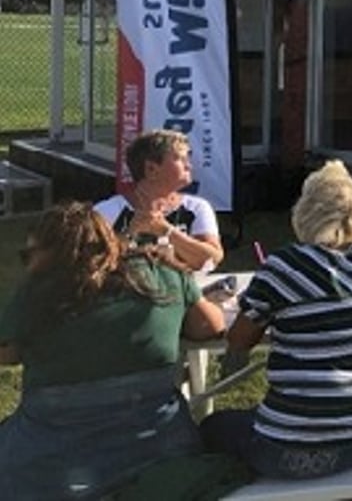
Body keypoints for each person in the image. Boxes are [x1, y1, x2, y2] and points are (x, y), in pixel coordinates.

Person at [200, 160, 352, 478]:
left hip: (294, 448)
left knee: (214, 427)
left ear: (304, 212)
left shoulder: (282, 267)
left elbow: (238, 339)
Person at [0, 202, 225, 498]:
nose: (27, 263)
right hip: (160, 454)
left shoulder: (34, 294)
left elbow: (6, 353)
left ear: (51, 253)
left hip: (50, 465)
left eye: (29, 255)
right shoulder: (163, 272)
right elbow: (210, 326)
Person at [95, 129, 224, 274]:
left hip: (187, 294)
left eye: (188, 159)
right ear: (151, 169)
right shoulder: (107, 211)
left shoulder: (196, 208)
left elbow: (211, 259)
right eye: (181, 159)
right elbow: (93, 265)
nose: (189, 166)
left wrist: (166, 230)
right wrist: (129, 235)